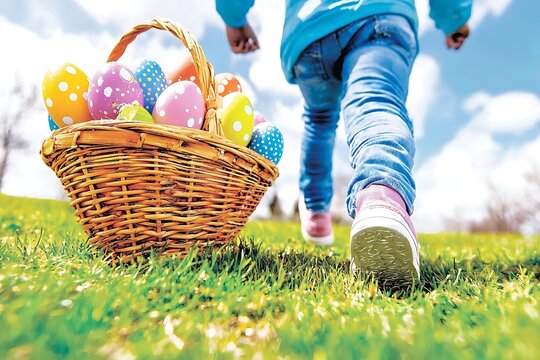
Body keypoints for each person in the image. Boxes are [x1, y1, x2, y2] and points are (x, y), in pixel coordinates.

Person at [215, 0, 472, 287]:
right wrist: (454, 18)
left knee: (319, 120)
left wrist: (234, 17)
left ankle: (316, 214)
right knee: (375, 97)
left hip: (310, 30)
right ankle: (381, 197)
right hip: (378, 15)